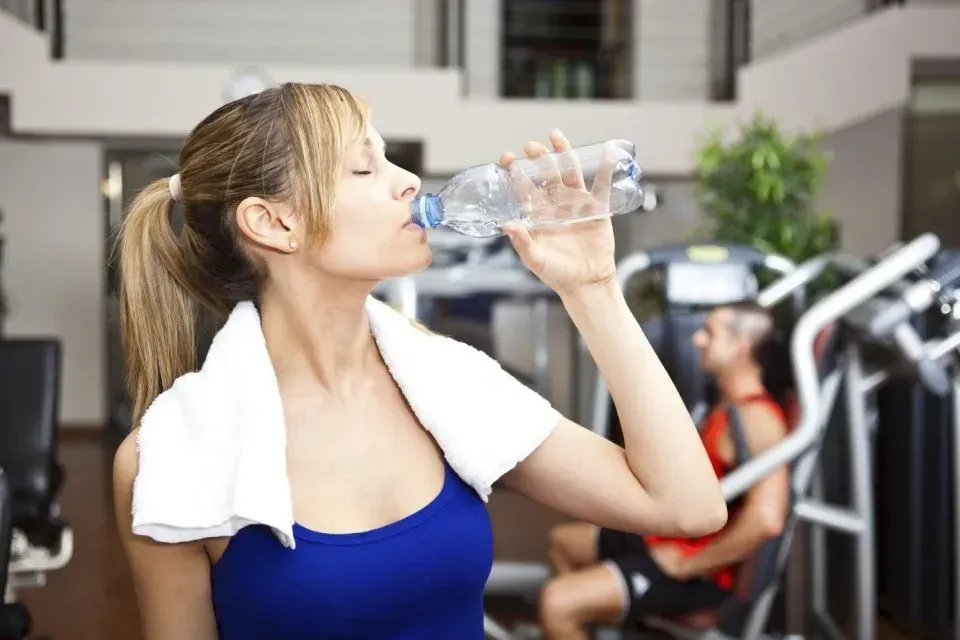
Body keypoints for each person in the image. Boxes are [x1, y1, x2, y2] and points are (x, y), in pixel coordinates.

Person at [111, 82, 727, 640]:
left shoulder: (449, 385)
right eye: (363, 167)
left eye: (389, 158)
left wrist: (592, 288)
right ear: (274, 222)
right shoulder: (170, 457)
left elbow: (687, 506)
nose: (407, 181)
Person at [541, 301, 790, 639]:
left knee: (557, 604)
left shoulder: (757, 419)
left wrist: (689, 565)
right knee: (563, 542)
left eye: (710, 333)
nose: (698, 340)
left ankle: (580, 614)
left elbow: (767, 518)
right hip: (667, 535)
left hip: (696, 568)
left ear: (739, 347)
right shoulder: (721, 403)